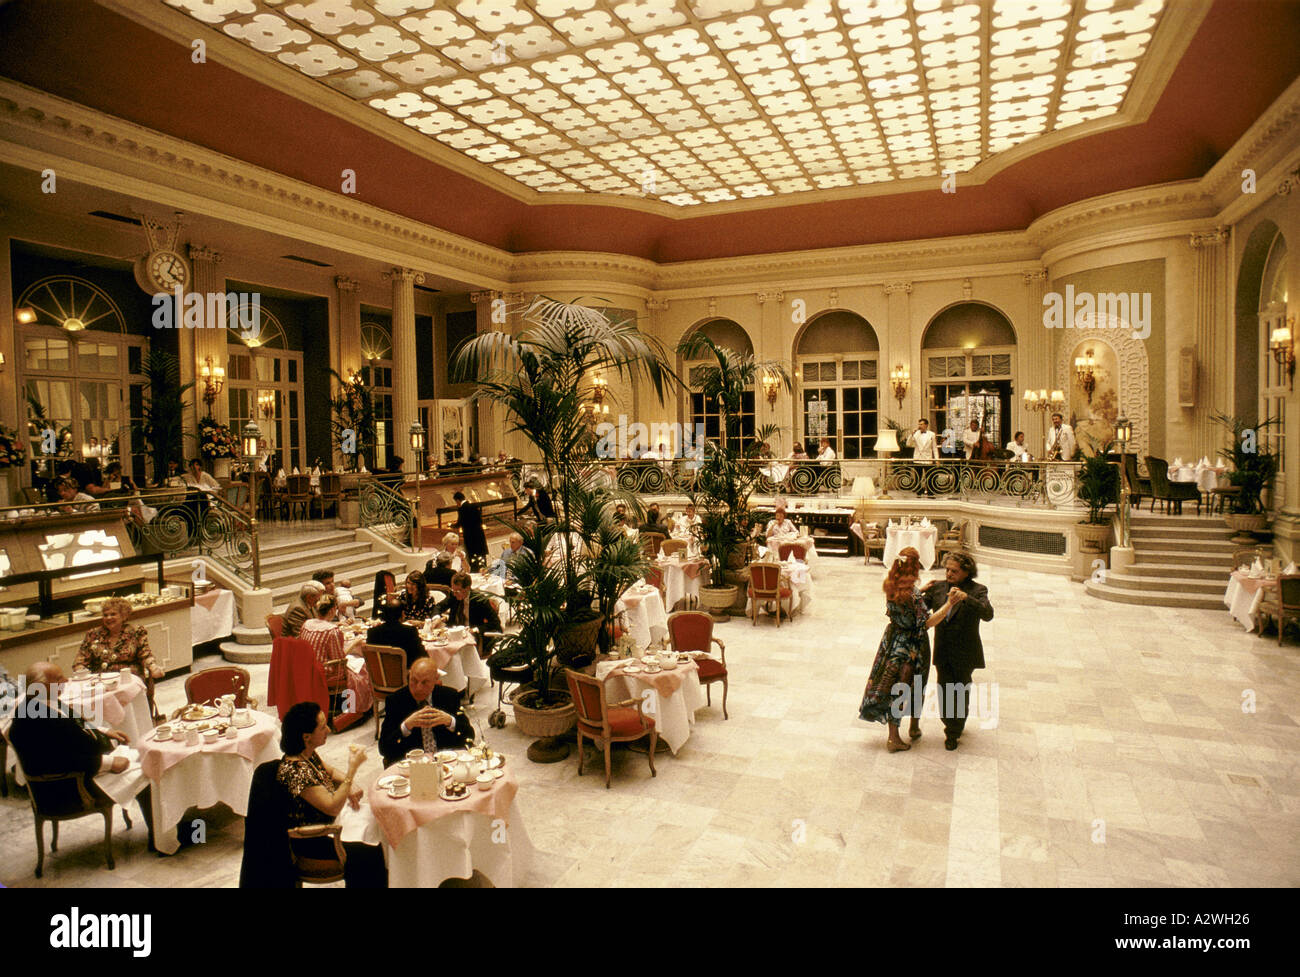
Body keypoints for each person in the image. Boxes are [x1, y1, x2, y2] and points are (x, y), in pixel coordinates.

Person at [8, 661, 157, 851]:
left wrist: (103, 731)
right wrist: (110, 763)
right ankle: (158, 839)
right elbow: (60, 760)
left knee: (145, 757)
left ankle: (162, 829)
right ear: (43, 685)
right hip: (71, 787)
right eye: (59, 679)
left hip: (84, 768)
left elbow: (73, 723)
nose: (67, 680)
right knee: (147, 775)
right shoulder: (37, 719)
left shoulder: (39, 703)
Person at [858, 548, 962, 753]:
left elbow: (904, 602)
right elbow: (927, 623)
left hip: (894, 641)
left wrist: (921, 590)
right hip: (913, 646)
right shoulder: (913, 595)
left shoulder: (892, 587)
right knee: (910, 685)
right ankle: (895, 737)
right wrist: (950, 603)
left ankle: (912, 728)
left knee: (895, 685)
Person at [276, 702, 386, 887]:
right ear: (306, 737)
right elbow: (332, 806)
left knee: (384, 823)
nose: (328, 729)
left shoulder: (307, 754)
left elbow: (332, 772)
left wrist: (348, 785)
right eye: (322, 727)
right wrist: (352, 770)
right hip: (315, 839)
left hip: (332, 820)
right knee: (371, 851)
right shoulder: (295, 771)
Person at [921, 552, 993, 750]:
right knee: (944, 690)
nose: (949, 574)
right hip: (942, 651)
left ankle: (953, 731)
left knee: (960, 690)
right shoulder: (938, 588)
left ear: (966, 572)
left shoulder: (978, 590)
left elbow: (988, 614)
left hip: (965, 652)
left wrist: (967, 599)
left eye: (954, 571)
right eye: (947, 569)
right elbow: (918, 608)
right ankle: (951, 723)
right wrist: (919, 592)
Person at [378, 659, 472, 767]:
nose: (418, 688)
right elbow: (383, 749)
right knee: (428, 782)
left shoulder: (449, 696)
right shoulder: (396, 701)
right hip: (416, 766)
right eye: (414, 680)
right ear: (409, 676)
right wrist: (406, 726)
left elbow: (470, 735)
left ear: (436, 679)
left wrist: (450, 721)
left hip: (445, 762)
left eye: (424, 682)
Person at [299, 595, 373, 719]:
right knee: (362, 665)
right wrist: (355, 643)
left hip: (308, 667)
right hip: (326, 670)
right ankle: (351, 708)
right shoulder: (331, 630)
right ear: (333, 610)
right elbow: (340, 659)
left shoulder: (307, 623)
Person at [444, 572, 502, 658]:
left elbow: (496, 623)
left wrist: (475, 629)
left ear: (467, 588)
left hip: (473, 637)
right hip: (455, 636)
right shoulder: (454, 595)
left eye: (458, 591)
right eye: (453, 590)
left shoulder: (480, 600)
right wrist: (436, 617)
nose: (455, 594)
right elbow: (439, 606)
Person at [366, 598, 426, 669]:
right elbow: (422, 655)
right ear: (402, 614)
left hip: (380, 676)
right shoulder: (409, 632)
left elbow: (370, 658)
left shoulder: (372, 632)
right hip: (406, 676)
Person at [452, 491, 488, 570]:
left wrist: (452, 525)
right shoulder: (474, 506)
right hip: (479, 535)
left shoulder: (462, 509)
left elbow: (460, 522)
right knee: (481, 556)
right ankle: (484, 569)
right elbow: (480, 520)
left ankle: (475, 571)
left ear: (457, 500)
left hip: (470, 536)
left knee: (473, 556)